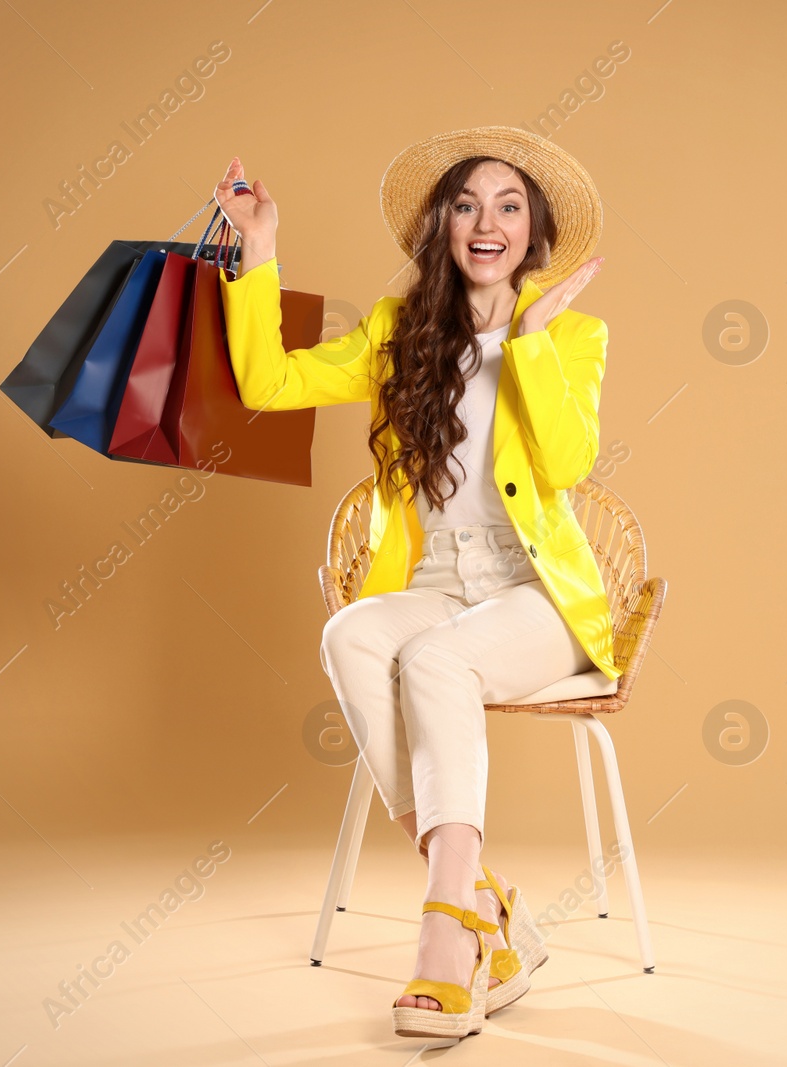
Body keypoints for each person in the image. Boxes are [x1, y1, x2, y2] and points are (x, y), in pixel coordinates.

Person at [212, 126, 620, 1039]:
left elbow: (566, 460)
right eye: (467, 204)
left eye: (510, 206)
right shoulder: (399, 335)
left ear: (535, 231)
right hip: (438, 581)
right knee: (350, 632)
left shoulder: (575, 334)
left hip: (536, 596)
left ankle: (445, 936)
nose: (488, 222)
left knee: (434, 661)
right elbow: (265, 383)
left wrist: (532, 341)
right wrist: (260, 247)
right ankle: (488, 907)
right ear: (442, 225)